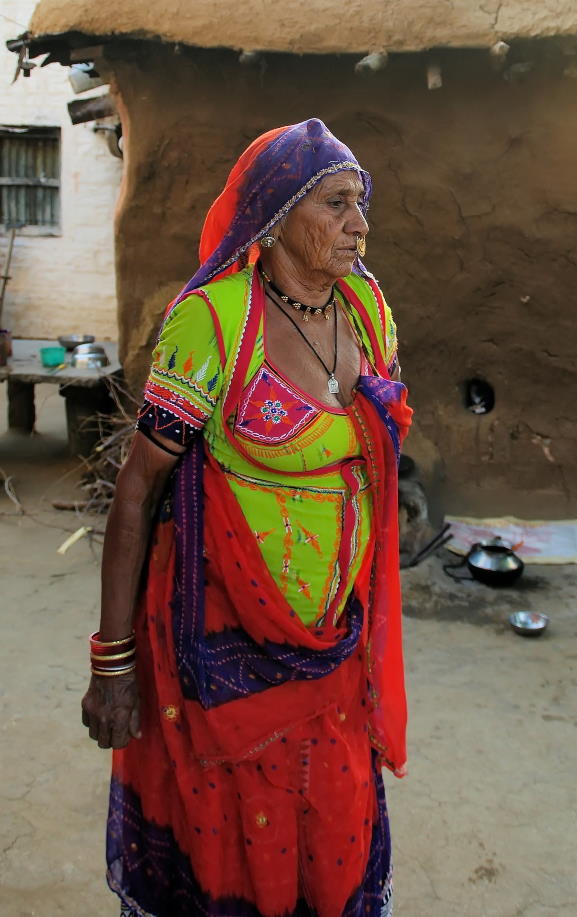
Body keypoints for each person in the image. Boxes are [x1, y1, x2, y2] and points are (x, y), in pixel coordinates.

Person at [82, 118, 412, 917]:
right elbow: (138, 489)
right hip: (222, 653)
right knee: (232, 852)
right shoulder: (216, 321)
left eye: (360, 204)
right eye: (336, 204)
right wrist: (112, 664)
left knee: (332, 835)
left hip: (334, 643)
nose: (358, 226)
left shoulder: (367, 309)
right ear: (276, 213)